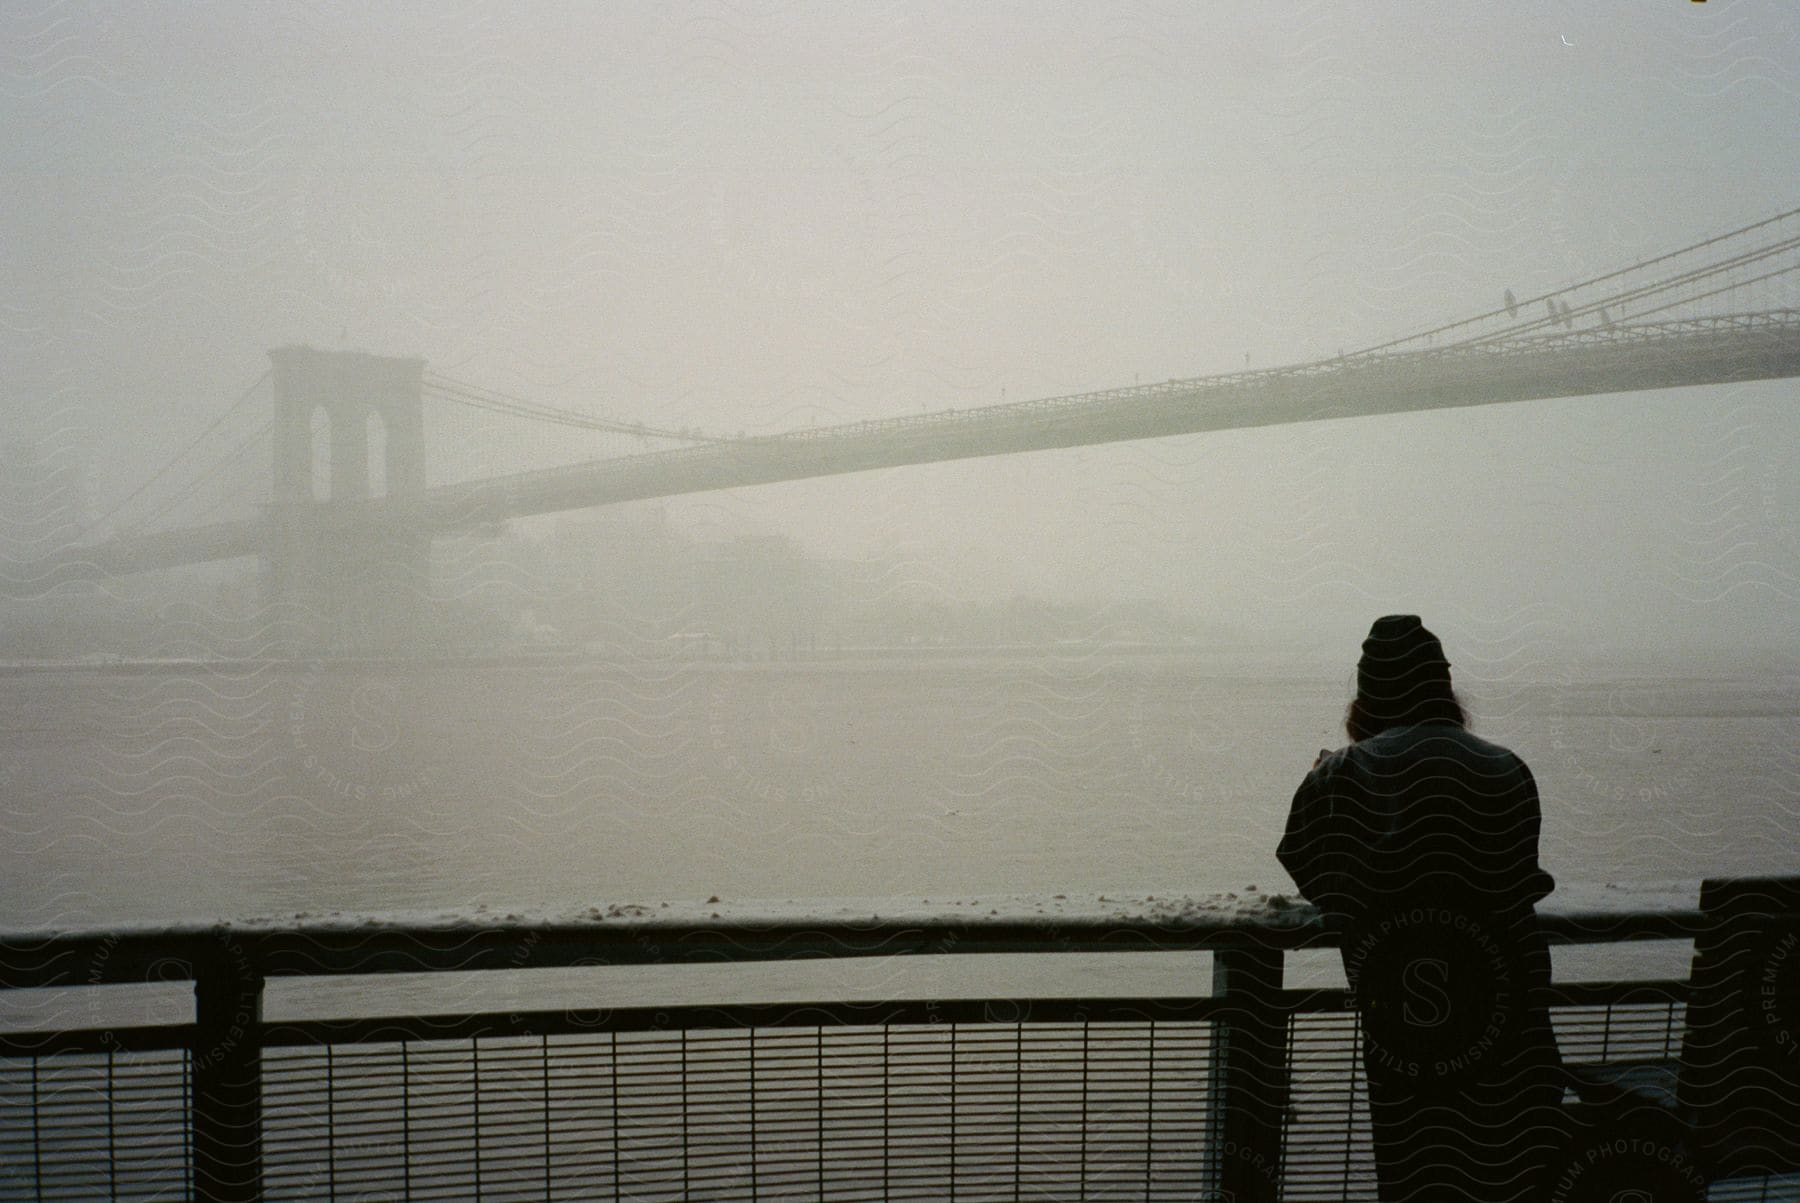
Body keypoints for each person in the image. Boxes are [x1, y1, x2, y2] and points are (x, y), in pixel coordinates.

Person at [1278, 615, 1563, 1202]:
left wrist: (1323, 773)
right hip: (1515, 1048)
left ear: (1367, 698)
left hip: (1411, 1052)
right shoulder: (1508, 770)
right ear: (1445, 692)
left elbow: (1310, 869)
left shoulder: (1342, 776)